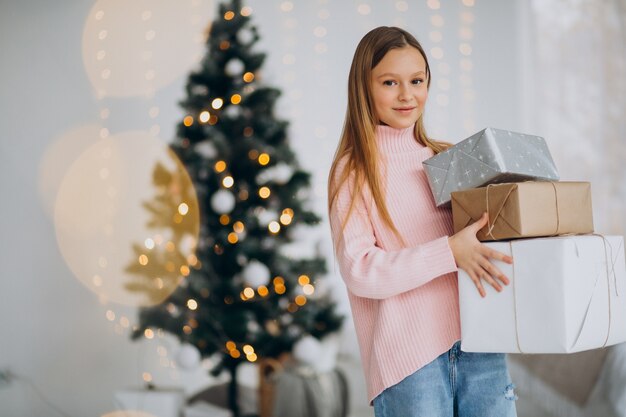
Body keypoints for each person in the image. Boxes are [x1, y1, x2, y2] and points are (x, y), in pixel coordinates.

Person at [327, 26, 518, 417]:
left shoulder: (448, 158)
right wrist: (449, 251)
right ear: (363, 87)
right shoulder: (353, 170)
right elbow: (360, 271)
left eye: (417, 80)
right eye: (389, 82)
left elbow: (485, 243)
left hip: (482, 346)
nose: (406, 95)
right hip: (410, 364)